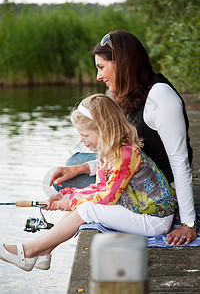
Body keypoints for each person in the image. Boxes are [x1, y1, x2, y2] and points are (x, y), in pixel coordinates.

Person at [49, 30, 197, 246]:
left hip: (155, 191)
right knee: (73, 165)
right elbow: (121, 154)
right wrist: (80, 169)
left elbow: (179, 161)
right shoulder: (126, 94)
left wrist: (188, 223)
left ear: (122, 63)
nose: (98, 76)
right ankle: (52, 238)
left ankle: (50, 240)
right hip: (133, 173)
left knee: (75, 183)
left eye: (101, 67)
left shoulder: (161, 97)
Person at [1, 94, 178, 271]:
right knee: (82, 205)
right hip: (136, 209)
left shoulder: (126, 154)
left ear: (104, 130)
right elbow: (99, 187)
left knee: (86, 209)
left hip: (156, 219)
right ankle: (43, 252)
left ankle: (29, 250)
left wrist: (71, 202)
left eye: (85, 135)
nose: (81, 140)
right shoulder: (106, 152)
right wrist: (67, 196)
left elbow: (108, 197)